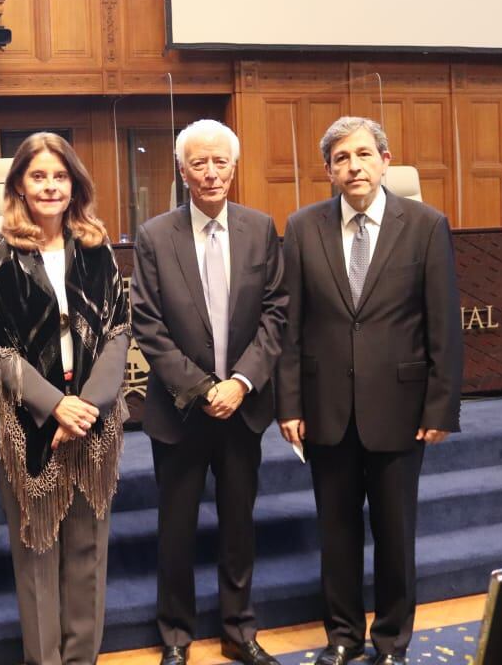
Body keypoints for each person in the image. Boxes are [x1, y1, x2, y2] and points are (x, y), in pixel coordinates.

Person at [277, 116, 463, 665]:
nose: (352, 166)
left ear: (385, 160)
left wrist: (441, 406)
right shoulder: (303, 226)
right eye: (340, 159)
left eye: (362, 154)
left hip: (401, 409)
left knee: (394, 533)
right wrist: (288, 404)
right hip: (325, 408)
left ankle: (390, 642)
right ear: (329, 171)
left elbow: (443, 327)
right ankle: (341, 637)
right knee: (335, 535)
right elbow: (291, 327)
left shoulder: (426, 225)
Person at [130, 119, 288, 665]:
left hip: (242, 409)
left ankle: (238, 630)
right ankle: (175, 635)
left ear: (234, 167)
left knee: (239, 526)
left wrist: (241, 383)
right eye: (199, 162)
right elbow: (147, 325)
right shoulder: (154, 236)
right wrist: (203, 389)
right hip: (179, 412)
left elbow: (275, 313)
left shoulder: (261, 228)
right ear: (182, 170)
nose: (211, 171)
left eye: (221, 161)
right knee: (175, 531)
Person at [0, 132, 129, 665]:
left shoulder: (96, 246)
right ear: (18, 183)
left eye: (60, 176)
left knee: (88, 553)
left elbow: (119, 331)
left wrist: (86, 405)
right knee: (38, 555)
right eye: (38, 176)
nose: (50, 186)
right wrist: (54, 405)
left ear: (74, 184)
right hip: (28, 426)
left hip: (94, 421)